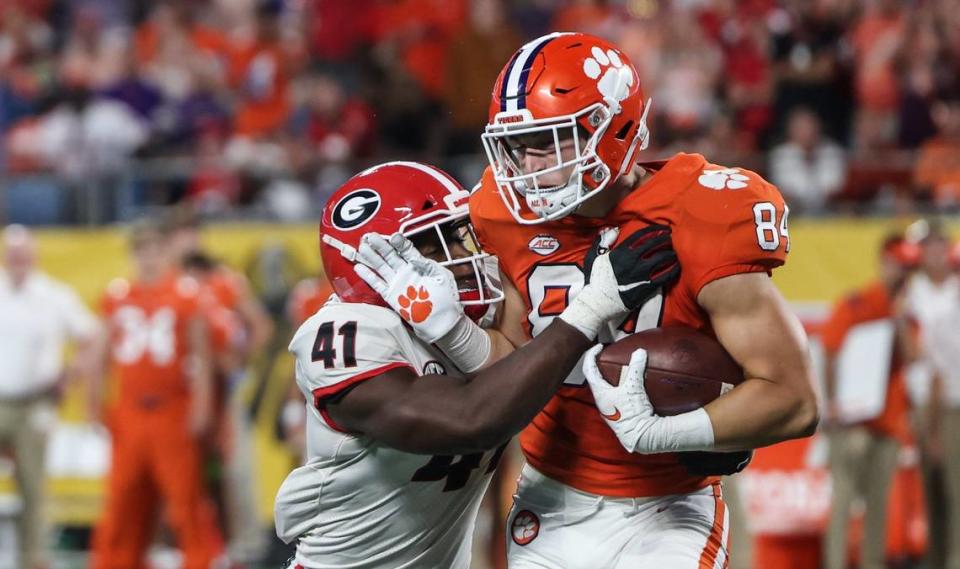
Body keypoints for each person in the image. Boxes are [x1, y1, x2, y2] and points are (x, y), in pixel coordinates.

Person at [363, 32, 818, 568]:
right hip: (549, 500)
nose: (526, 167)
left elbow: (793, 398)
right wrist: (453, 330)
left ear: (613, 130)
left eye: (546, 142)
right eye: (516, 146)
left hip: (666, 506)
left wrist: (669, 432)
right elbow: (515, 363)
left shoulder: (702, 213)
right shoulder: (501, 213)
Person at [274, 160, 679, 569]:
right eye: (433, 244)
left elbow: (528, 375)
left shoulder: (462, 318)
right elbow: (471, 417)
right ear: (370, 266)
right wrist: (590, 309)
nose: (463, 257)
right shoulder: (346, 333)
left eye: (457, 235)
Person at [88, 220, 222, 569]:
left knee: (186, 503)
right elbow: (99, 355)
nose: (147, 258)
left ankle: (199, 562)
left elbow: (202, 356)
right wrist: (94, 403)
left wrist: (202, 407)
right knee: (123, 503)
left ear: (166, 252)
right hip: (130, 410)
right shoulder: (118, 295)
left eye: (153, 250)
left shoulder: (186, 295)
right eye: (140, 250)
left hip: (172, 409)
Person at [0, 224, 100, 569]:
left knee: (33, 485)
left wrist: (70, 374)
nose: (17, 260)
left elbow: (91, 336)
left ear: (34, 256)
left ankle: (32, 560)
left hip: (35, 402)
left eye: (23, 253)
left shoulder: (54, 295)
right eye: (12, 253)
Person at [820, 234, 917, 569]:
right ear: (883, 263)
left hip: (888, 424)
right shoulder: (859, 304)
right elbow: (830, 353)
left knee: (878, 506)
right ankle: (835, 564)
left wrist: (901, 317)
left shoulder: (906, 313)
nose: (902, 275)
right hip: (852, 423)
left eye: (907, 268)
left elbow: (915, 356)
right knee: (844, 502)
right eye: (897, 266)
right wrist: (833, 406)